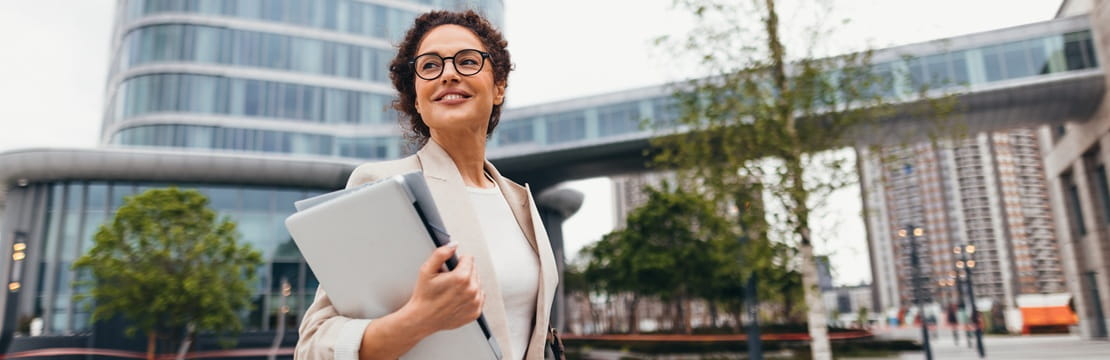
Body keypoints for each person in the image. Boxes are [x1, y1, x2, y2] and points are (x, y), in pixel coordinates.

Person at [295, 10, 559, 360]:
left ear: (498, 87)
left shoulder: (519, 200)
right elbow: (313, 345)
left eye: (467, 61)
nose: (448, 73)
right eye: (430, 66)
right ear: (417, 98)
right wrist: (418, 319)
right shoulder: (381, 187)